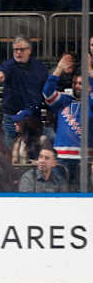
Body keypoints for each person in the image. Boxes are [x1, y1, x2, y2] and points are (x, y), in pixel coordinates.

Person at [42, 53, 93, 191]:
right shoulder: (65, 100)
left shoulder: (90, 102)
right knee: (60, 193)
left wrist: (90, 71)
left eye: (81, 83)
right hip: (61, 159)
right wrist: (59, 68)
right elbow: (47, 93)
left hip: (84, 160)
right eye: (75, 83)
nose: (77, 86)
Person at [0, 35, 48, 148]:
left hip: (31, 116)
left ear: (29, 50)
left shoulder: (39, 68)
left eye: (22, 49)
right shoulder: (9, 65)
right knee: (10, 148)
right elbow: (1, 72)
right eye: (15, 50)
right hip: (12, 115)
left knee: (33, 148)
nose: (18, 52)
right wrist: (0, 75)